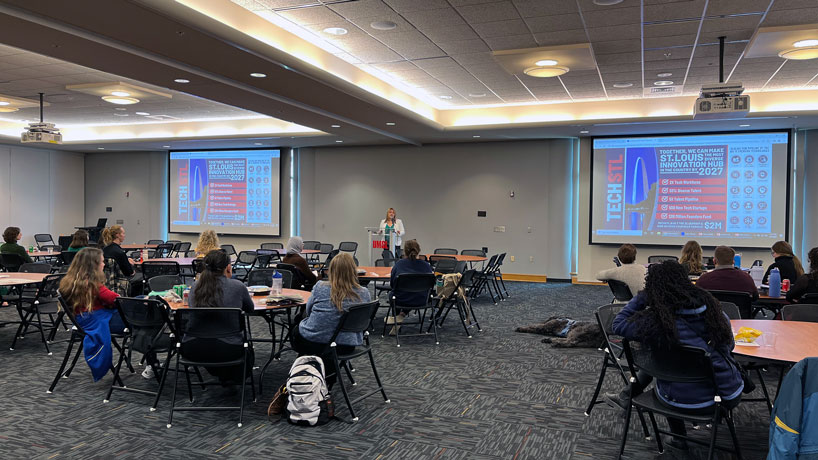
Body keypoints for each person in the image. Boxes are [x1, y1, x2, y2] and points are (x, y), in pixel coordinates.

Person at [605, 261, 743, 453]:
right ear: (685, 283)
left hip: (671, 399)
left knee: (665, 367)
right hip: (719, 398)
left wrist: (642, 298)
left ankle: (678, 439)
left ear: (653, 290)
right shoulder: (715, 314)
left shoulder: (654, 323)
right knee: (680, 367)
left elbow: (617, 325)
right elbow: (730, 347)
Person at [292, 252, 371, 389]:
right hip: (347, 344)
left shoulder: (320, 287)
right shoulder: (364, 293)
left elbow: (309, 312)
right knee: (329, 345)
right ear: (354, 271)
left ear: (331, 270)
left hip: (313, 340)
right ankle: (325, 378)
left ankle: (304, 374)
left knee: (296, 329)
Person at [187, 249, 255, 383]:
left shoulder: (195, 287)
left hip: (193, 348)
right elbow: (250, 309)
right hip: (229, 349)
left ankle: (222, 376)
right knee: (247, 347)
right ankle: (230, 379)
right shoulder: (238, 286)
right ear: (228, 267)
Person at [57, 247, 125, 381]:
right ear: (93, 265)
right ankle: (152, 363)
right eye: (102, 262)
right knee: (143, 319)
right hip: (97, 321)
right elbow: (116, 299)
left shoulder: (69, 282)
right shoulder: (93, 284)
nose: (104, 264)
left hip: (81, 320)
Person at [388, 239, 433, 326]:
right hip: (422, 299)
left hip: (400, 299)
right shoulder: (426, 266)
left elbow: (392, 285)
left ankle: (397, 320)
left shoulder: (399, 264)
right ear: (418, 250)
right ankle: (402, 315)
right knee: (413, 294)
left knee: (394, 294)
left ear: (404, 251)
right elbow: (431, 285)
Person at [101, 225, 143, 295]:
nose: (124, 235)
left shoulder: (105, 250)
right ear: (117, 235)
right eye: (123, 233)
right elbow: (129, 273)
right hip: (120, 283)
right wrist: (131, 265)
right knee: (141, 277)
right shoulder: (120, 252)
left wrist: (126, 260)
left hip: (107, 282)